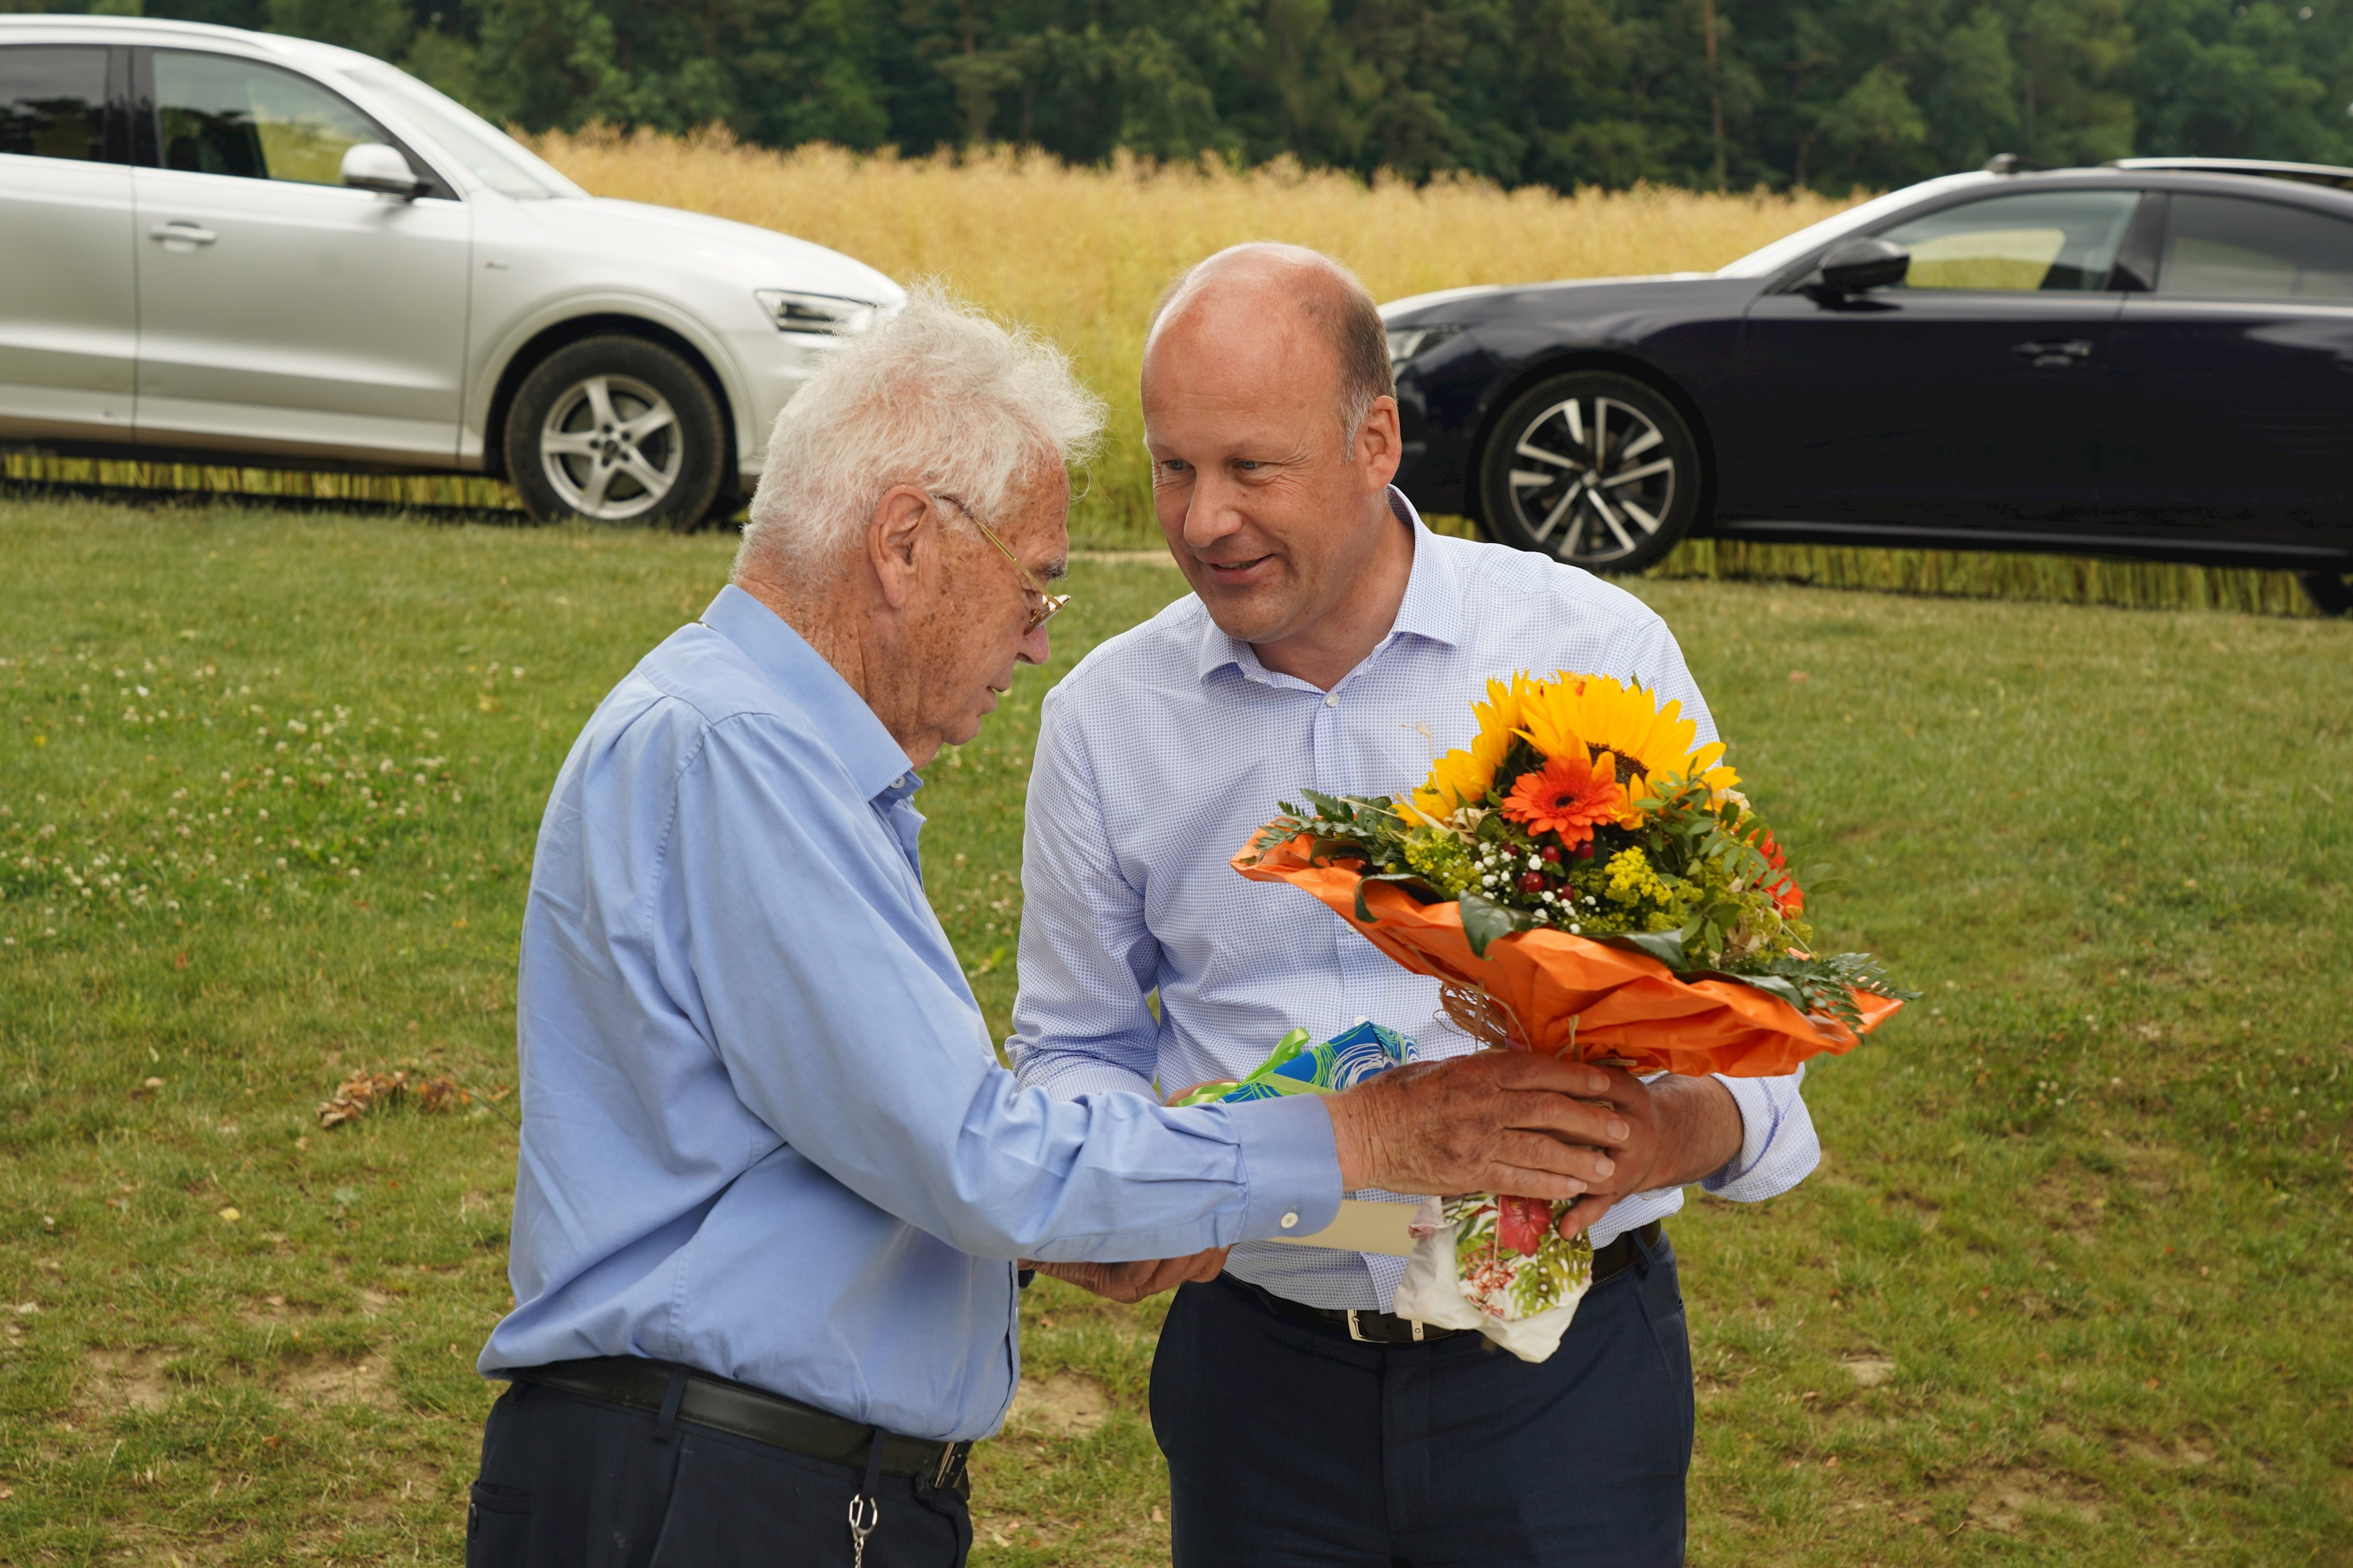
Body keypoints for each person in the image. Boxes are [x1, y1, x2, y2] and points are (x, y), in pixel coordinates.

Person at [465, 289, 1627, 1568]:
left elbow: (880, 1151)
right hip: (715, 1489)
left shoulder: (755, 745)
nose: (1032, 643)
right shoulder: (736, 753)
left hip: (741, 1474)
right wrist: (1368, 1132)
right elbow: (976, 1155)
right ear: (904, 542)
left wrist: (1079, 1233)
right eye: (1034, 585)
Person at [1008, 245, 1821, 1566]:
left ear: (1374, 439)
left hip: (1560, 1396)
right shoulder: (1106, 719)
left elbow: (1760, 1049)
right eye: (1174, 467)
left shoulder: (1589, 659)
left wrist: (1649, 1142)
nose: (1202, 518)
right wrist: (1115, 1192)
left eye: (1250, 469)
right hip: (1255, 1380)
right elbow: (1072, 1047)